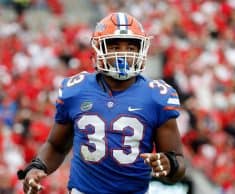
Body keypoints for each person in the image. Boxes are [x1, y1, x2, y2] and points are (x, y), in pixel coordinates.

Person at [17, 12, 186, 194]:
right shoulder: (77, 90)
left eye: (130, 48)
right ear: (99, 49)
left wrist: (171, 165)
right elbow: (56, 146)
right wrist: (37, 166)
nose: (123, 54)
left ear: (141, 51)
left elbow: (178, 162)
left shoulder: (155, 96)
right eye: (114, 47)